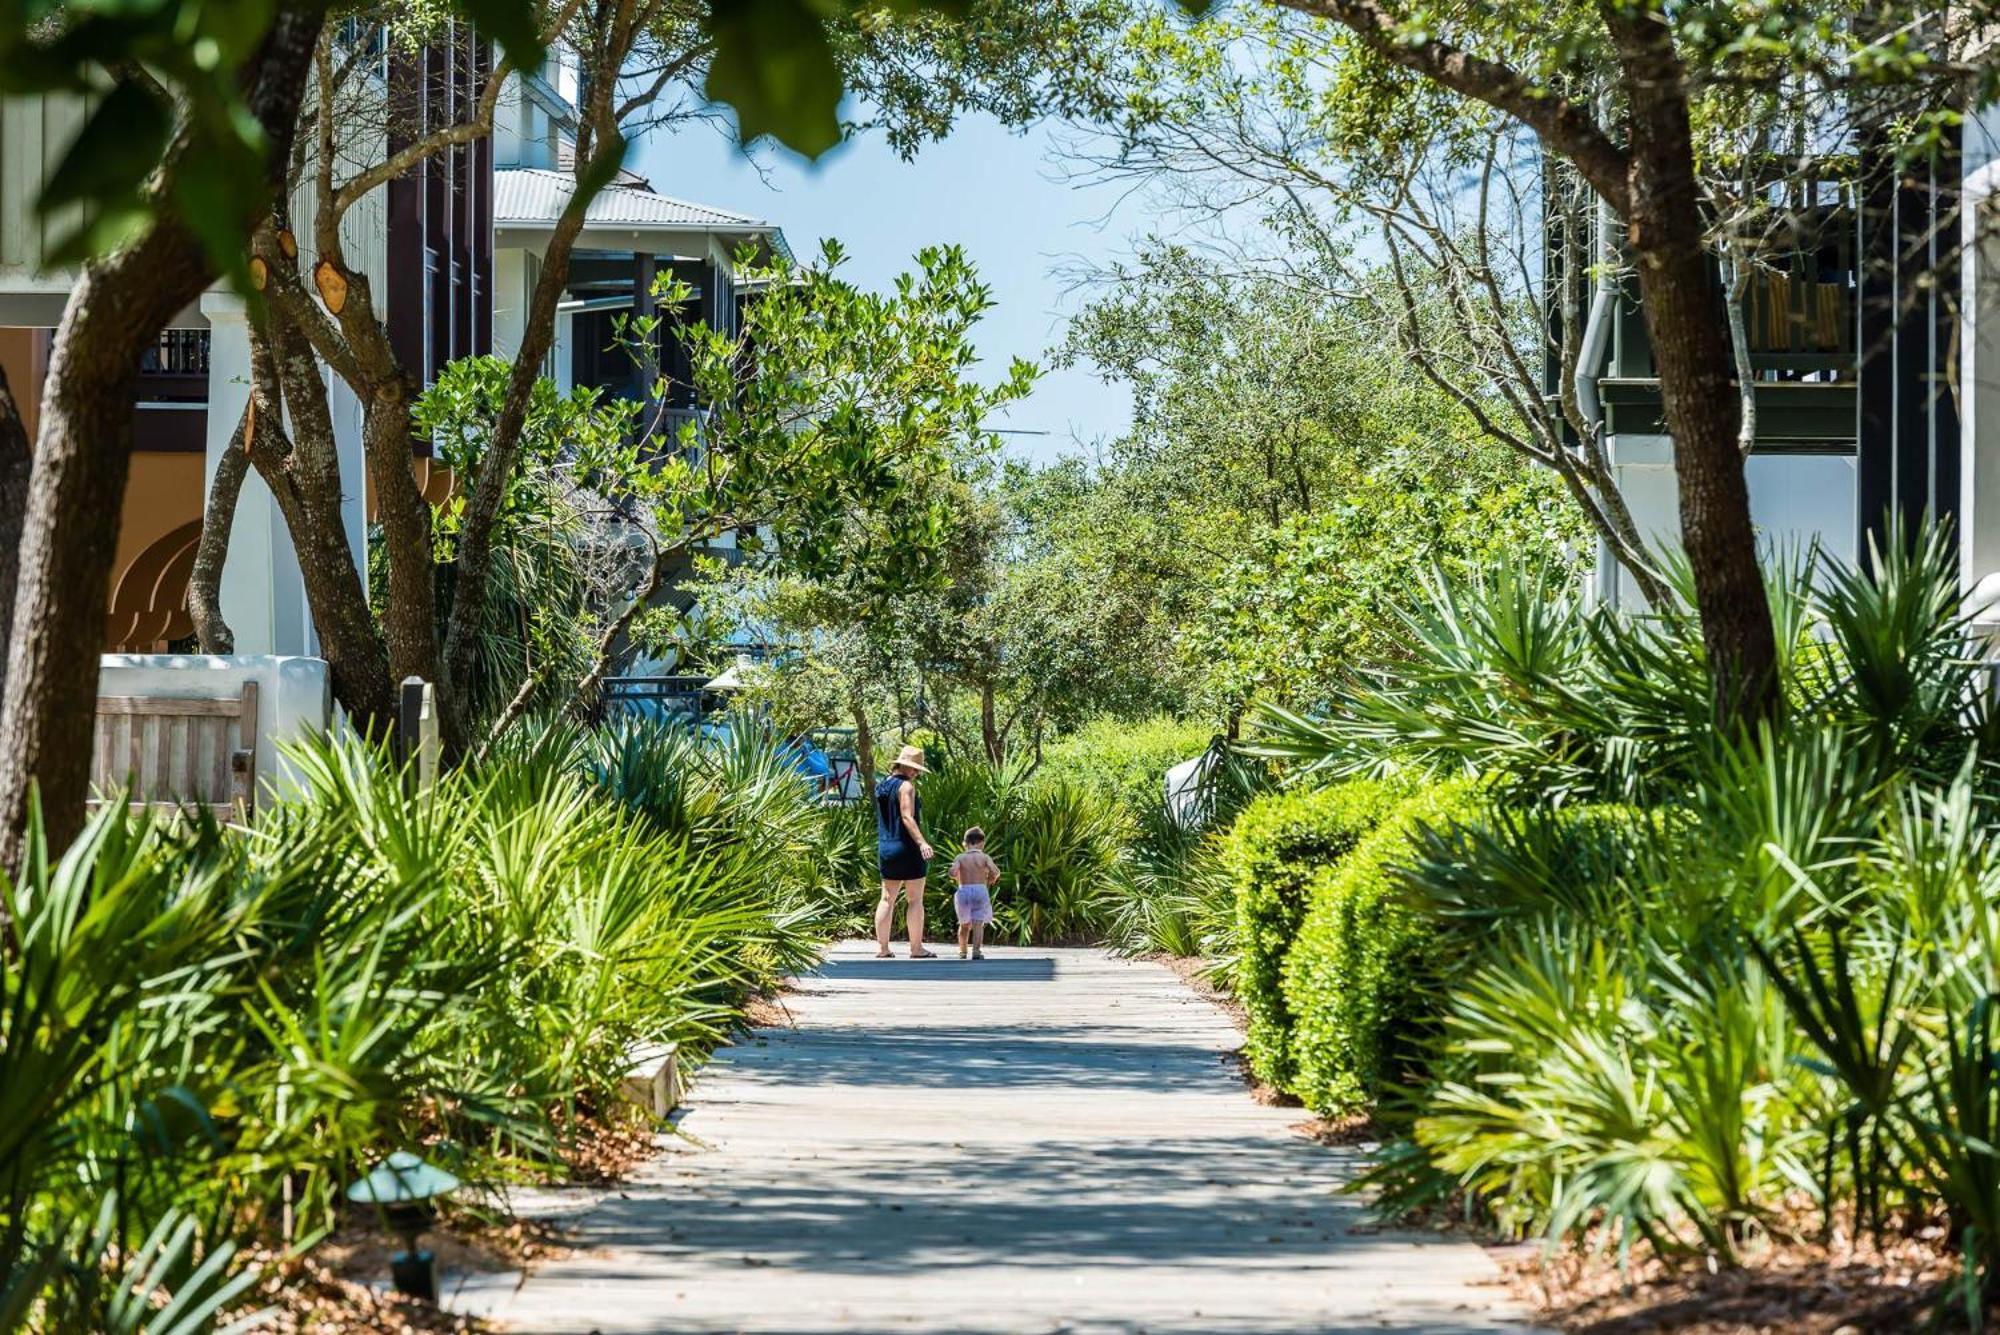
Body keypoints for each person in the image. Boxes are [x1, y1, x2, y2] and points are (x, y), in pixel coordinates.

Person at [874, 745, 936, 959]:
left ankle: (883, 949)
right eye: (915, 769)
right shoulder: (906, 786)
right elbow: (907, 817)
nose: (916, 773)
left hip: (886, 846)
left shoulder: (882, 785)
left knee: (886, 898)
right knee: (915, 899)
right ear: (906, 767)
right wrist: (922, 843)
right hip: (907, 847)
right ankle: (916, 948)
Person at [949, 827, 1000, 961]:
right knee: (978, 923)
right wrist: (991, 879)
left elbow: (953, 872)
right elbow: (995, 871)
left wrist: (955, 874)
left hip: (964, 890)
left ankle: (962, 951)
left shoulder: (960, 857)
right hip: (980, 890)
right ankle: (976, 951)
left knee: (964, 924)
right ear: (982, 843)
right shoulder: (984, 857)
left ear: (965, 843)